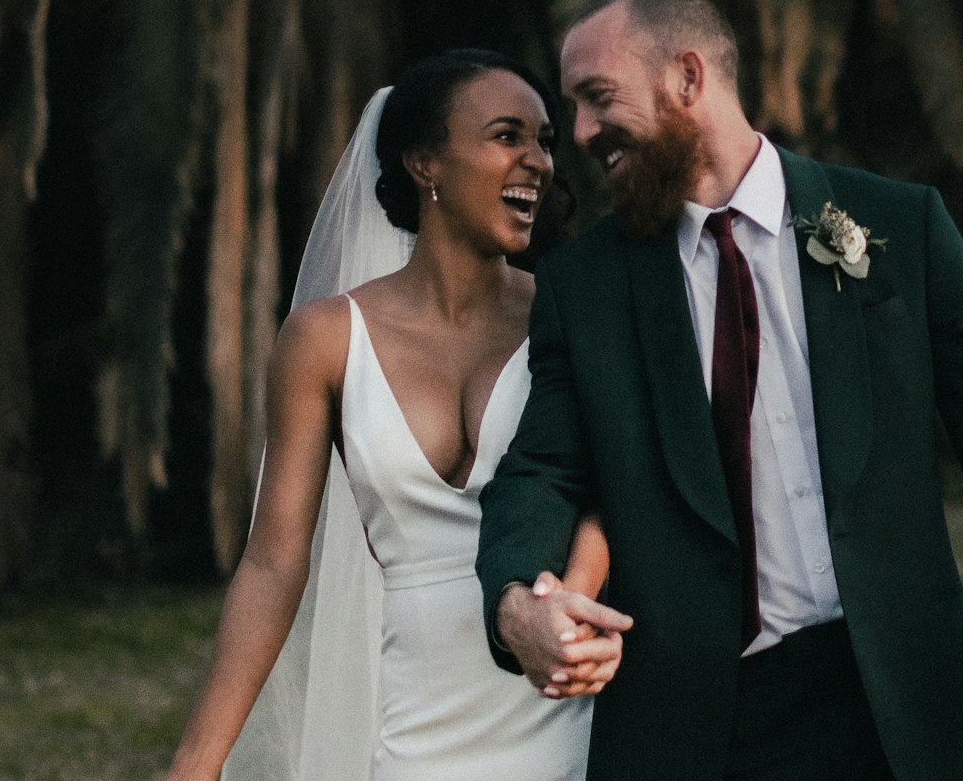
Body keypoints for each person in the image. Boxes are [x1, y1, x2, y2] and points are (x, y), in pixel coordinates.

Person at [478, 0, 963, 781]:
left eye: (597, 97)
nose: (580, 132)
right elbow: (542, 469)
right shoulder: (587, 287)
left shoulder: (900, 228)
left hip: (906, 705)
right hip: (701, 728)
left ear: (688, 78)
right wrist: (514, 602)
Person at [168, 50, 625, 781]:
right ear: (424, 164)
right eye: (507, 135)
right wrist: (196, 762)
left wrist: (570, 609)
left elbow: (612, 490)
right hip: (420, 724)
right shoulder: (324, 339)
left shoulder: (567, 314)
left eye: (544, 140)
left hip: (562, 697)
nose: (538, 161)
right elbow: (273, 562)